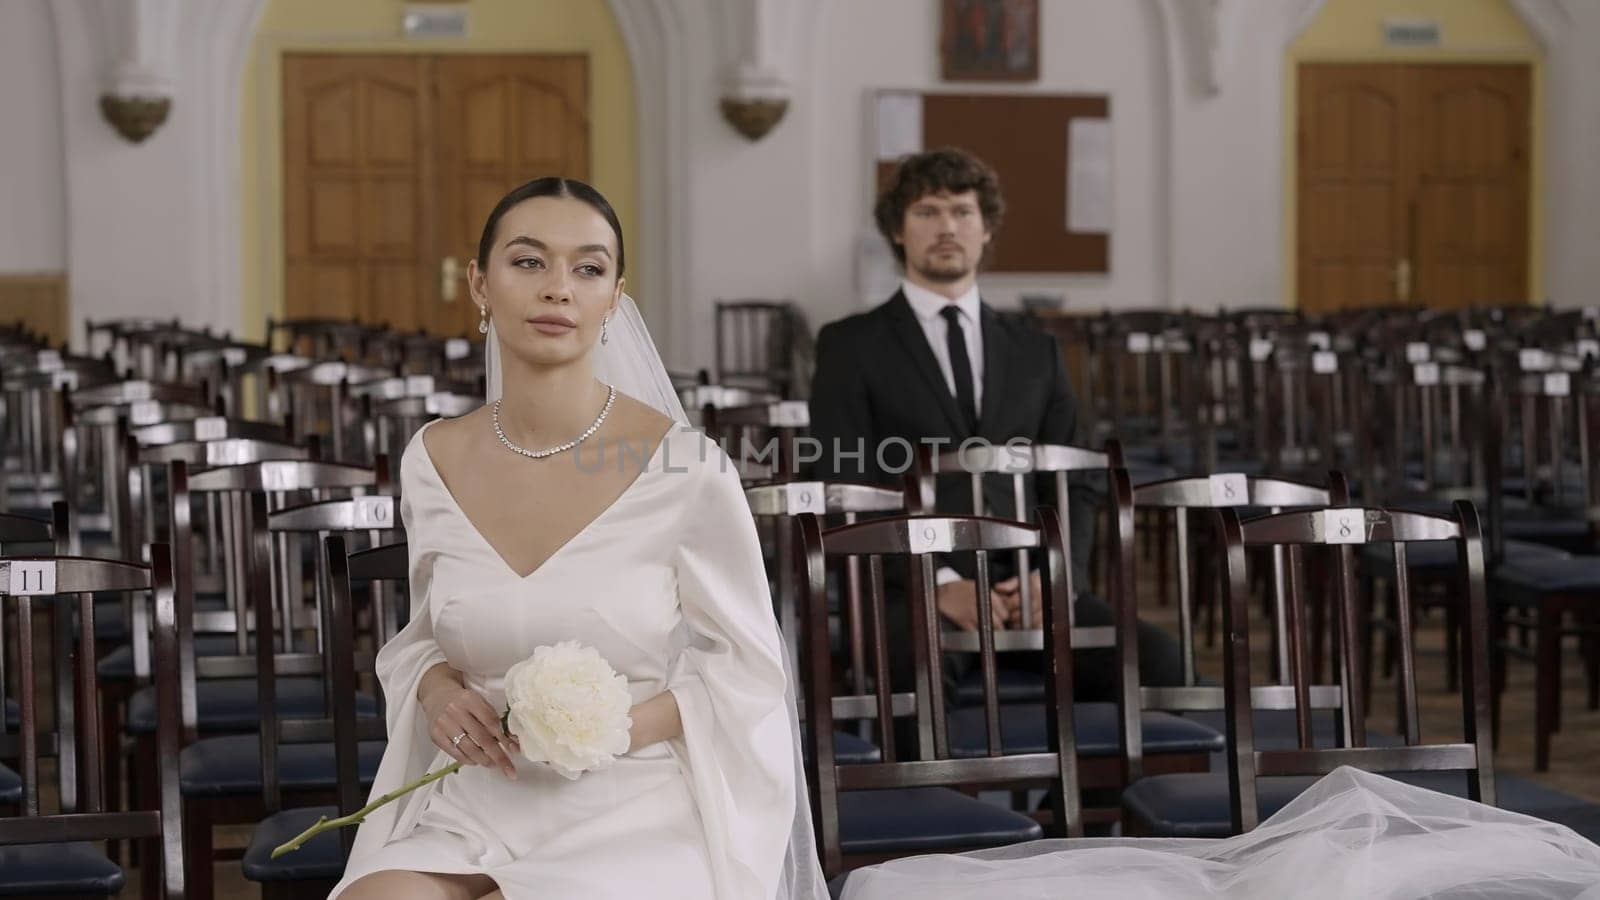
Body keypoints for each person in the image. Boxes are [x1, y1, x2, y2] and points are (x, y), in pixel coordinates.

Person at [331, 178, 824, 900]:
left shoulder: (687, 469)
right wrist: (437, 692)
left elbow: (745, 672)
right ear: (479, 283)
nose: (558, 288)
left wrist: (606, 727)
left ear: (614, 299)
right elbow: (428, 633)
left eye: (587, 269)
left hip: (635, 804)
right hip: (481, 801)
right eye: (528, 262)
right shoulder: (431, 459)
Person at [807, 147, 1182, 701]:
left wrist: (1055, 578)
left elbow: (1074, 482)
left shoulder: (1037, 352)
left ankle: (1078, 794)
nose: (946, 227)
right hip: (916, 589)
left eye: (962, 212)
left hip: (1030, 585)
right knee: (920, 684)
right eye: (927, 212)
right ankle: (941, 792)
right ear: (897, 232)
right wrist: (938, 584)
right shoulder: (849, 346)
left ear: (986, 230)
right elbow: (845, 487)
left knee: (1162, 664)